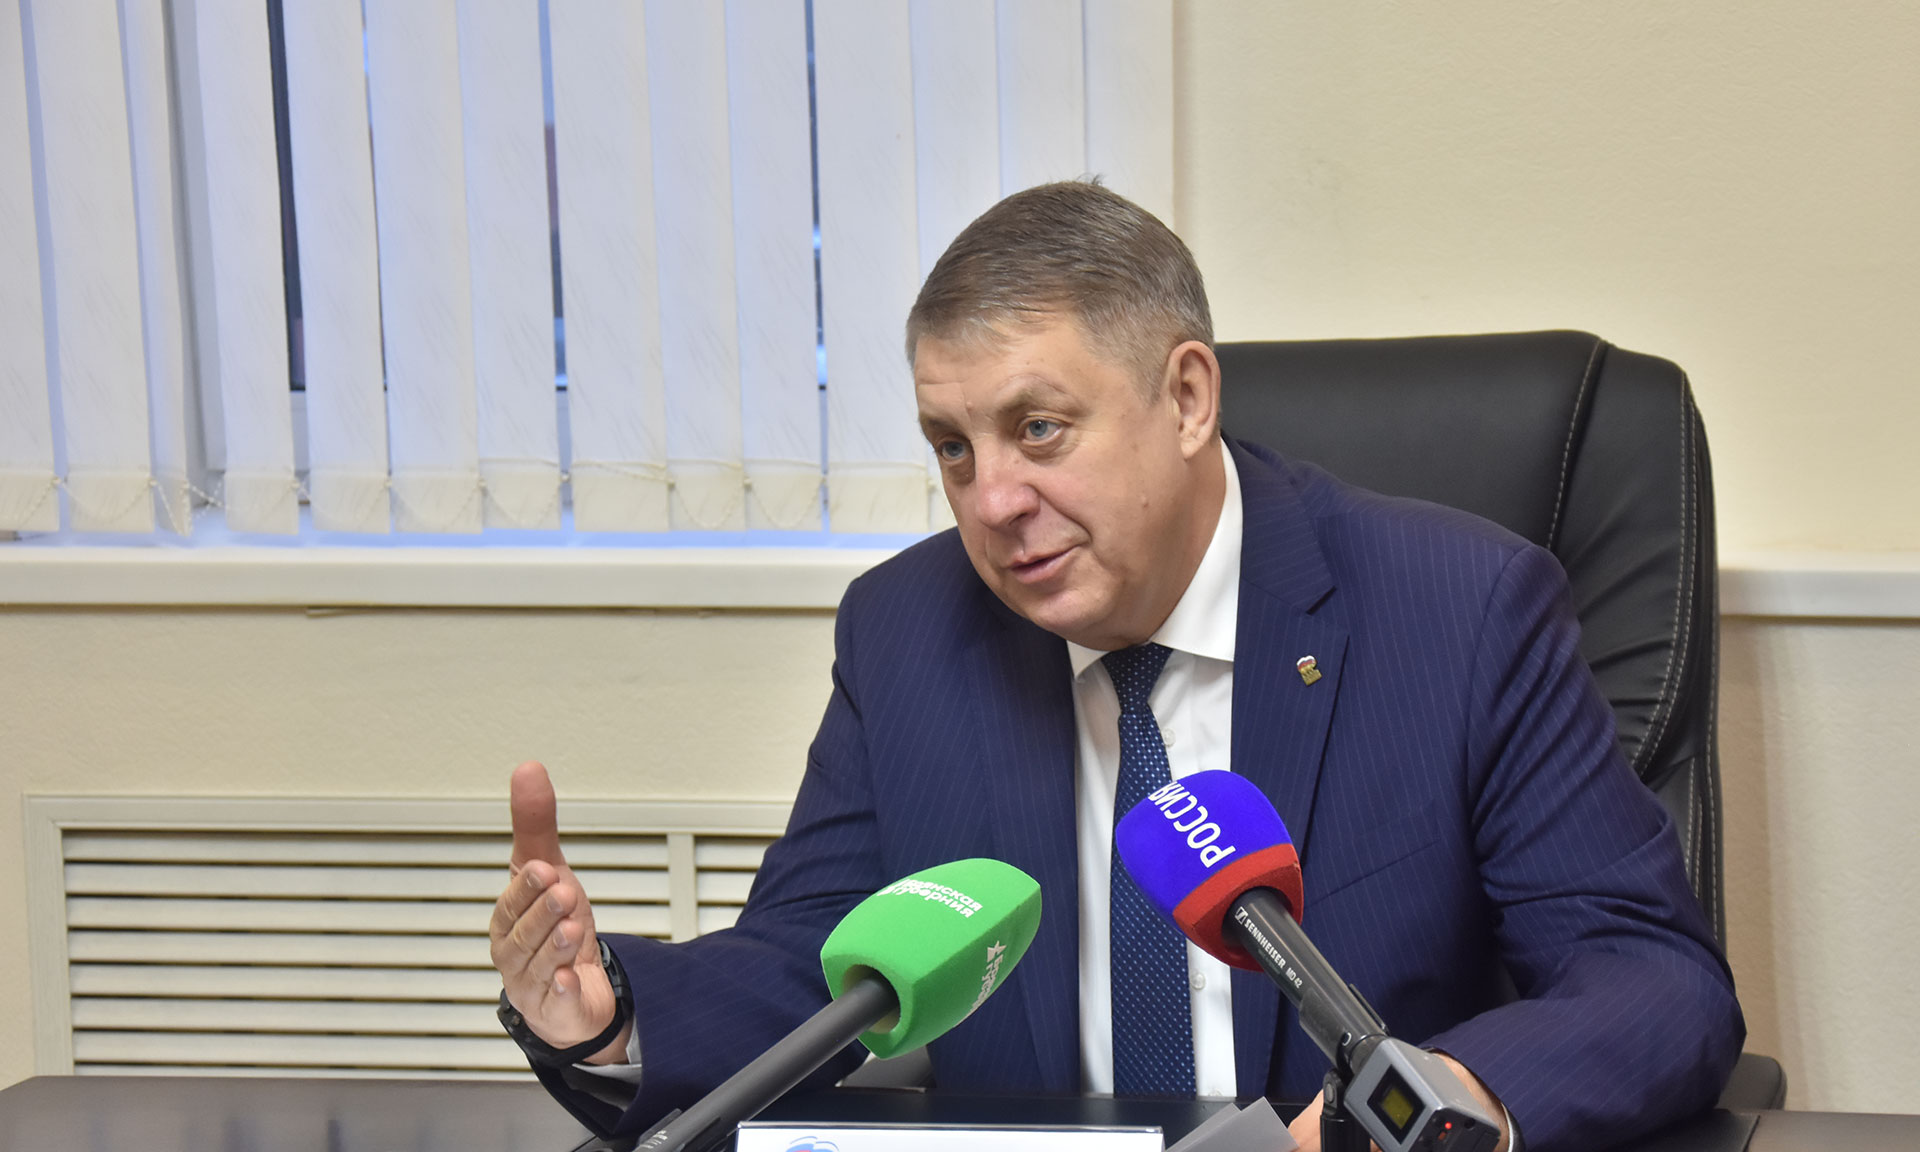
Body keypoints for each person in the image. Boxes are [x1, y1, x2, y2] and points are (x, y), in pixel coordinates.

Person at [490, 181, 1744, 1152]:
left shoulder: (1457, 609)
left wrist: (1448, 1095)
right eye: (953, 447)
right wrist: (610, 1017)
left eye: (1038, 429)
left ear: (1187, 397)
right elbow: (817, 968)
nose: (991, 499)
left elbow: (1651, 976)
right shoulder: (908, 629)